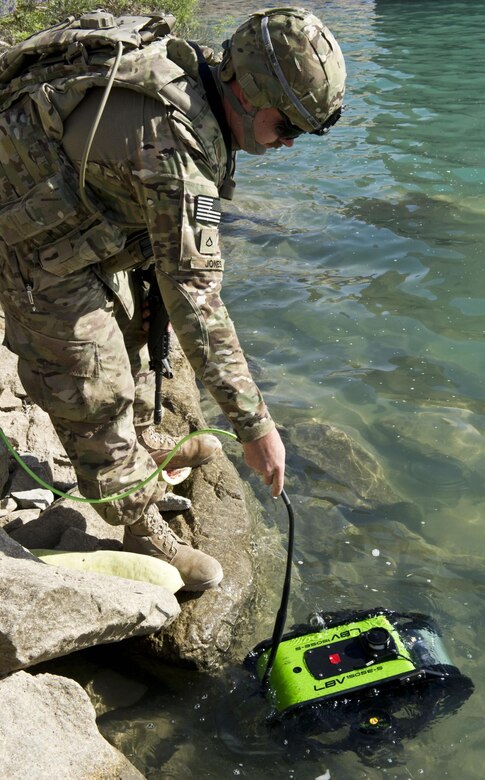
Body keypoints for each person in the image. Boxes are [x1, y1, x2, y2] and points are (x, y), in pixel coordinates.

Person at [0, 7, 346, 590]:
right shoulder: (174, 151)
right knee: (92, 378)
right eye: (287, 126)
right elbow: (200, 307)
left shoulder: (193, 83)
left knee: (134, 323)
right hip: (26, 233)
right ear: (249, 90)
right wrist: (256, 429)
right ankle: (139, 522)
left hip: (72, 208)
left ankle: (139, 441)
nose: (288, 143)